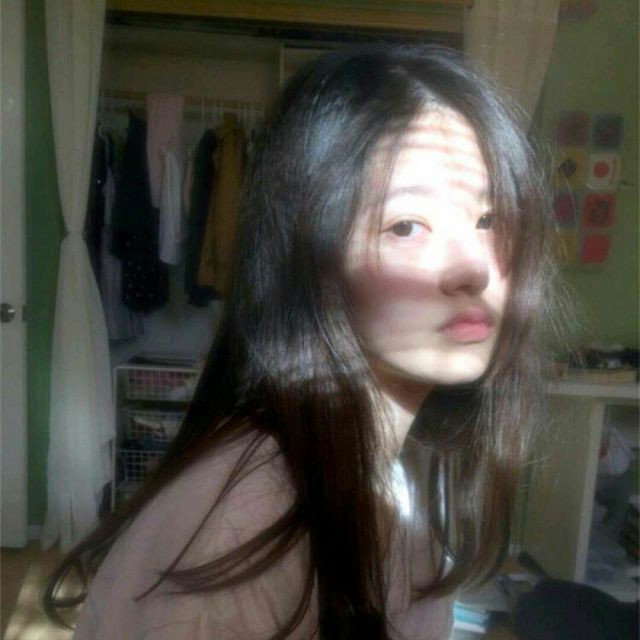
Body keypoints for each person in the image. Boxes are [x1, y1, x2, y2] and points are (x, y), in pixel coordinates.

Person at [44, 44, 560, 639]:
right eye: (406, 226)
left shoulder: (393, 480)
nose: (476, 267)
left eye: (490, 220)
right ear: (309, 263)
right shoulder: (241, 531)